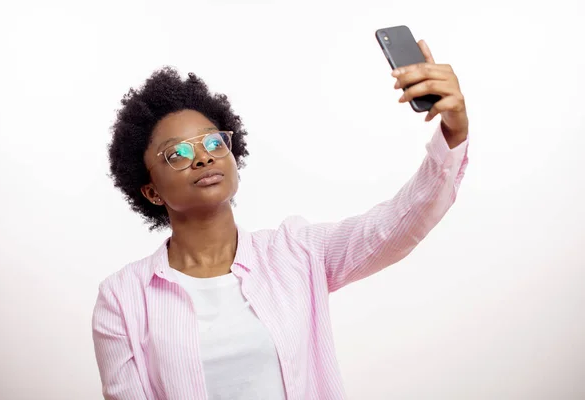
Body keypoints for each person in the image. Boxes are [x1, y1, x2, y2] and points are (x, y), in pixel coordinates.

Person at [92, 40, 469, 400]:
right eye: (177, 153)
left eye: (212, 143)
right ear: (152, 191)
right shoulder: (121, 298)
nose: (204, 158)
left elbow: (393, 226)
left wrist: (454, 132)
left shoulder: (296, 252)